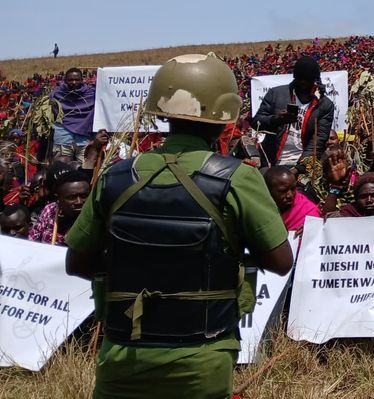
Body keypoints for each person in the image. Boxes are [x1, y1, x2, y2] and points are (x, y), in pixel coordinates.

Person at [64, 53, 293, 399]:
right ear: (223, 117)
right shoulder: (237, 179)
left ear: (161, 111)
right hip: (203, 357)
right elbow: (281, 261)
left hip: (124, 352)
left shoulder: (116, 177)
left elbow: (77, 262)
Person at [253, 56, 336, 166]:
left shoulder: (324, 105)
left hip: (302, 163)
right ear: (294, 77)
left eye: (307, 79)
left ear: (314, 79)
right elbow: (256, 123)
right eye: (299, 78)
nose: (303, 82)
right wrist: (277, 119)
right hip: (271, 161)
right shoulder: (275, 94)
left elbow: (318, 142)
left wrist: (298, 169)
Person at [28, 169, 89, 245]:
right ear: (58, 198)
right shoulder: (50, 210)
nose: (79, 202)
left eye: (84, 196)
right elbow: (33, 239)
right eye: (72, 197)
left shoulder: (93, 218)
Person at [51, 68, 97, 163]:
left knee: (84, 165)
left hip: (84, 135)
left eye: (77, 80)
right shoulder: (57, 94)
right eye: (71, 80)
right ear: (65, 80)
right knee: (62, 164)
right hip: (63, 134)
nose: (74, 82)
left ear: (82, 80)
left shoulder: (91, 93)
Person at [264, 166, 320, 231]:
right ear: (268, 191)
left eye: (293, 189)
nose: (290, 195)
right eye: (283, 191)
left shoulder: (309, 213)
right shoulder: (259, 207)